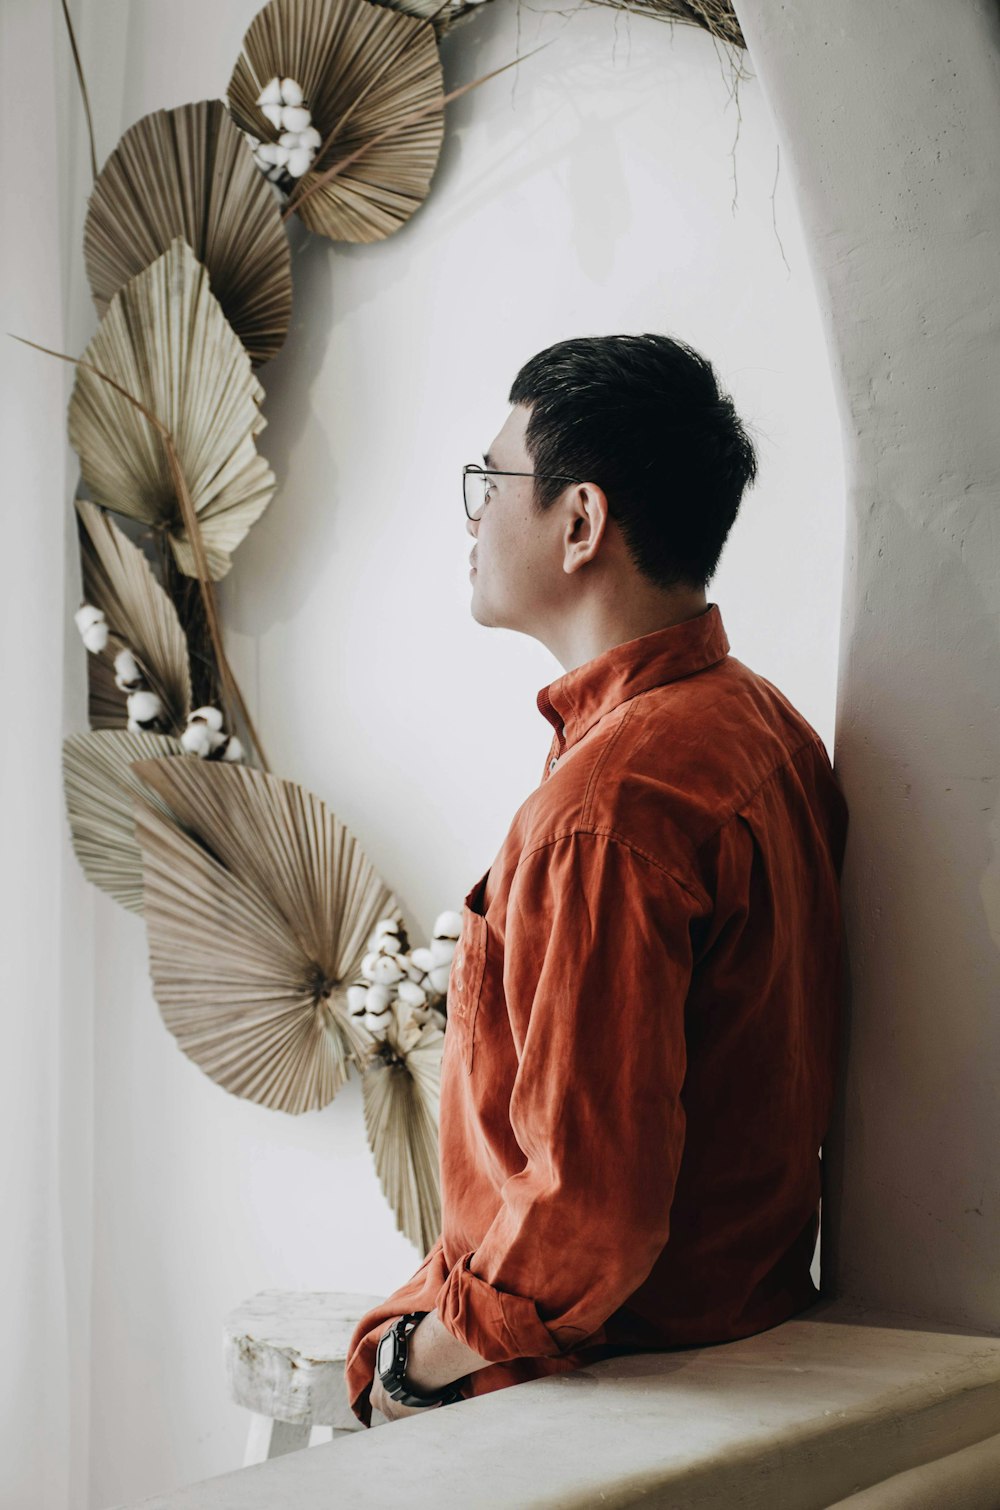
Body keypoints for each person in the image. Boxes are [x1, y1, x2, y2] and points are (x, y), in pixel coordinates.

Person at [344, 332, 849, 1427]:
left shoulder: (607, 808)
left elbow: (590, 1215)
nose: (473, 516)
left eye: (492, 481)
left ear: (579, 521)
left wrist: (409, 1366)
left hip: (611, 1390)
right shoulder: (765, 728)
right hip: (743, 1345)